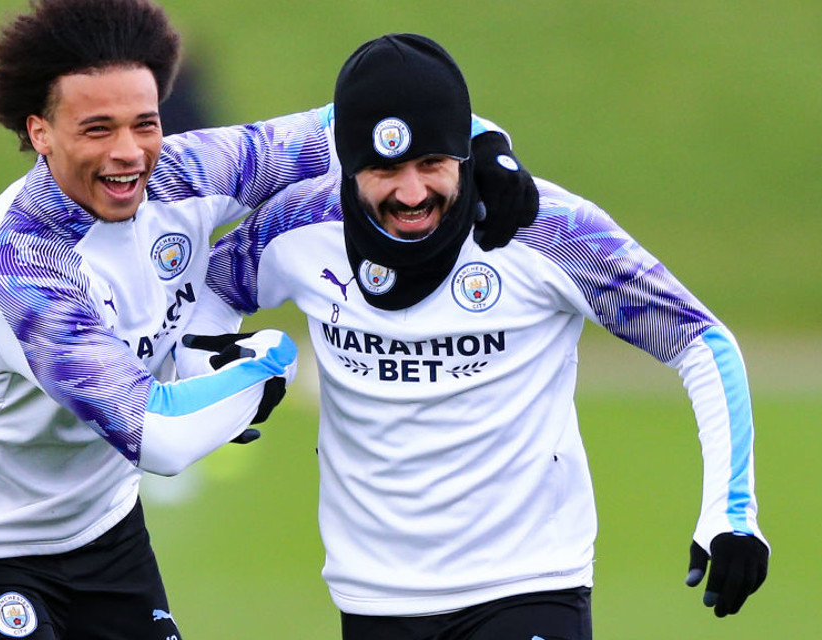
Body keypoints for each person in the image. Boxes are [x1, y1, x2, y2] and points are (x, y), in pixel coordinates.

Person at [188, 33, 769, 640]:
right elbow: (208, 291)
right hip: (371, 597)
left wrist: (730, 514)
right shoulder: (296, 226)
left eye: (431, 164)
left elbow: (700, 342)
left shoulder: (551, 231)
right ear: (345, 162)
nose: (412, 193)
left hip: (528, 585)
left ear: (465, 153)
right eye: (385, 169)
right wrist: (209, 372)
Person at [0, 0, 334, 638]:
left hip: (104, 534)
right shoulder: (23, 264)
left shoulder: (185, 172)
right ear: (41, 131)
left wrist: (474, 153)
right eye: (97, 129)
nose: (128, 153)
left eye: (144, 124)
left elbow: (357, 124)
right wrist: (269, 366)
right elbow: (161, 436)